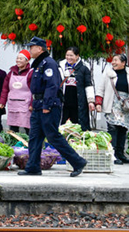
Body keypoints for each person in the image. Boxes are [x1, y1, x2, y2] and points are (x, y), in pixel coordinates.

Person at [19, 36, 87, 177]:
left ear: (40, 48)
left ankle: (78, 162)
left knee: (53, 136)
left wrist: (47, 105)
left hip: (47, 105)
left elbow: (52, 86)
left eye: (32, 47)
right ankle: (32, 167)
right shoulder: (39, 63)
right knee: (34, 137)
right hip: (39, 105)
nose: (29, 50)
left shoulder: (48, 63)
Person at [95, 53, 129, 164]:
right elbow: (100, 88)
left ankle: (121, 154)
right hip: (112, 103)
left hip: (126, 105)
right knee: (112, 129)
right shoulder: (108, 73)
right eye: (113, 60)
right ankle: (112, 155)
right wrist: (98, 102)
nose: (113, 62)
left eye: (116, 60)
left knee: (123, 129)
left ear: (123, 62)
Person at [59, 46, 95, 131]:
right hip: (65, 102)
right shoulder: (61, 67)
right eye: (67, 55)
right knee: (63, 126)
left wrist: (91, 101)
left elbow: (88, 85)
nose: (69, 57)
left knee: (79, 126)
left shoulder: (83, 69)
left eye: (71, 55)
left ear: (77, 56)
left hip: (78, 103)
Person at [0, 49, 33, 133]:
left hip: (26, 105)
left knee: (28, 126)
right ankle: (14, 144)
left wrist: (32, 104)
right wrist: (2, 102)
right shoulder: (11, 73)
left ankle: (30, 145)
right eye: (17, 58)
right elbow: (5, 88)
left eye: (21, 58)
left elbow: (34, 90)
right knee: (13, 127)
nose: (18, 60)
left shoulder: (31, 73)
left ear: (27, 60)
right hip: (13, 104)